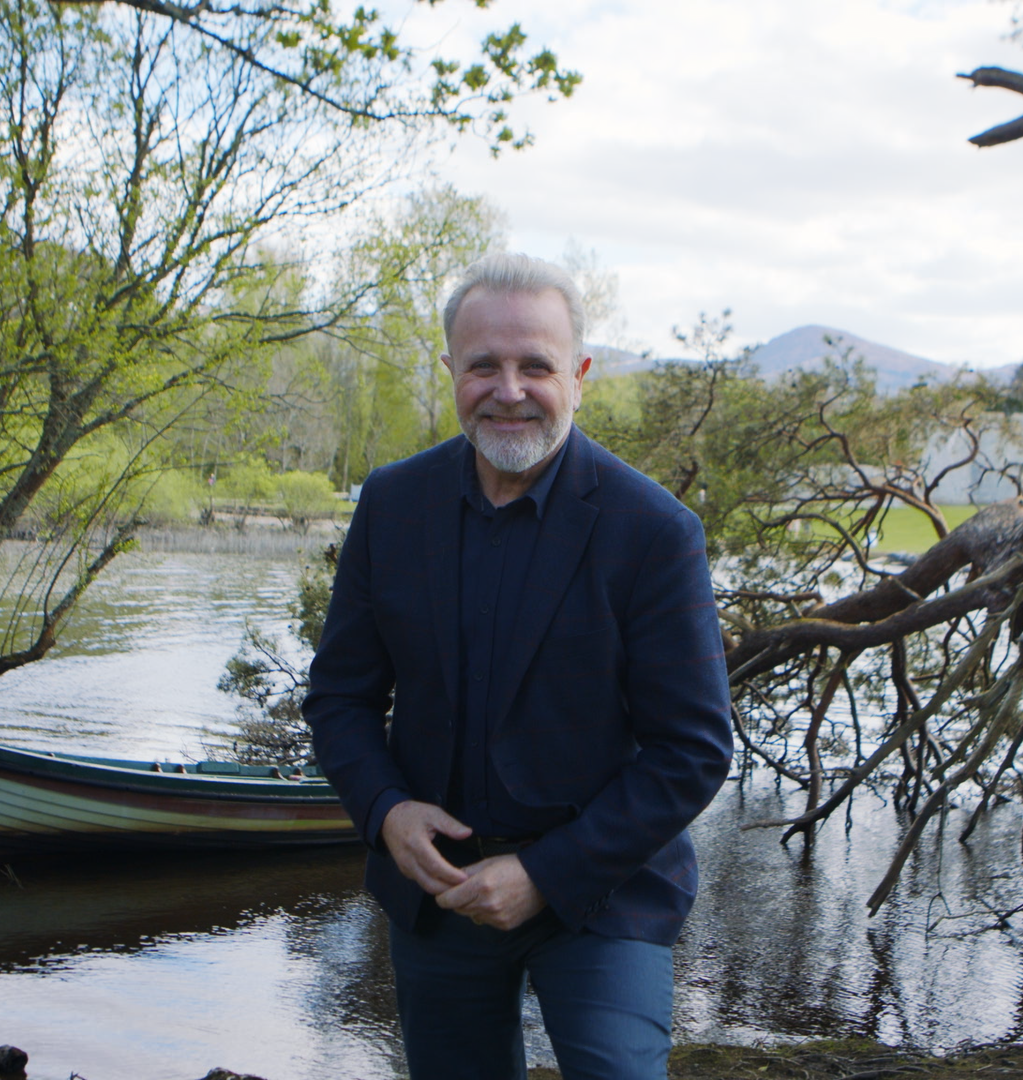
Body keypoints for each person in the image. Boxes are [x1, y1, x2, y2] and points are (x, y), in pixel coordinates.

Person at [303, 252, 734, 1080]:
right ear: (449, 373)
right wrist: (387, 812)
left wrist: (544, 873)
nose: (509, 389)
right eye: (483, 366)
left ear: (579, 374)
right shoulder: (392, 506)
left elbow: (693, 750)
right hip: (438, 890)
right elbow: (340, 699)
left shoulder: (653, 530)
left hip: (604, 888)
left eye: (535, 364)